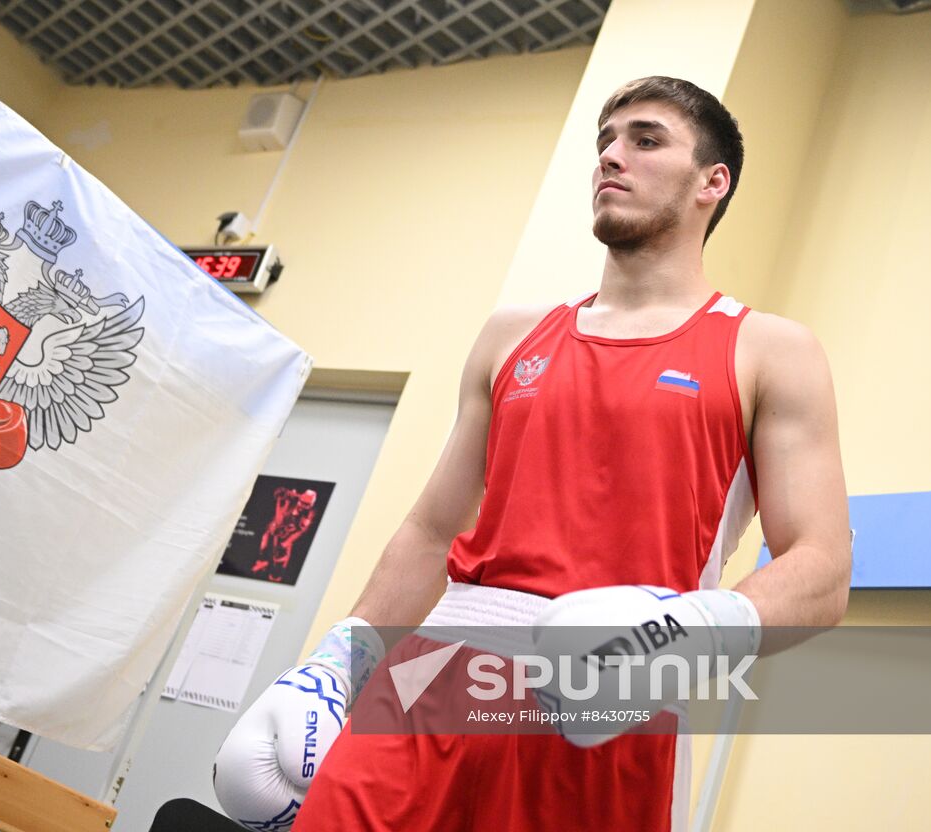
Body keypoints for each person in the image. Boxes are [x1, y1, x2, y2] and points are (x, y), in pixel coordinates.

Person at [213, 76, 852, 831]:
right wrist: (337, 662)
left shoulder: (769, 350)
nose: (611, 156)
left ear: (713, 182)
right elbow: (432, 530)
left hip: (606, 711)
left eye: (646, 140)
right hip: (428, 680)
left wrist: (695, 628)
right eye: (605, 141)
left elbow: (822, 569)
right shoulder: (513, 335)